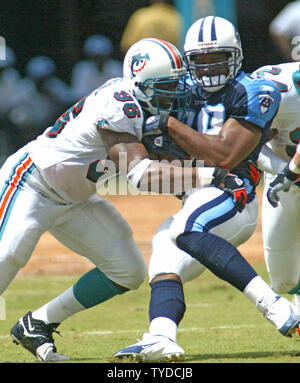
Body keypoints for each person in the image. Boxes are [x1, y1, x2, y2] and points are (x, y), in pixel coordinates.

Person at [1, 38, 235, 362]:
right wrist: (209, 175)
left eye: (175, 85)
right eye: (164, 86)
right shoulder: (119, 103)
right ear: (140, 84)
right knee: (12, 250)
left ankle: (37, 324)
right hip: (32, 182)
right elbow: (141, 175)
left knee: (127, 271)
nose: (174, 94)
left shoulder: (145, 103)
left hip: (76, 198)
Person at [113, 16, 300, 363]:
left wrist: (168, 124)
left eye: (218, 58)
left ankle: (278, 310)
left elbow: (225, 154)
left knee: (186, 227)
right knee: (163, 250)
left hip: (233, 194)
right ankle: (161, 337)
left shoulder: (255, 90)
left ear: (236, 56)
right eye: (201, 60)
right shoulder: (180, 86)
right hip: (198, 194)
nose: (210, 67)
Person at [251, 62, 300, 308]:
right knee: (283, 279)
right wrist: (284, 172)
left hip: (291, 172)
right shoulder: (273, 89)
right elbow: (249, 143)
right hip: (282, 174)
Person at [70, 35, 122, 100]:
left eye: (102, 56)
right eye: (95, 57)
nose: (99, 60)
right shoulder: (82, 68)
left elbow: (121, 92)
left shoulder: (116, 67)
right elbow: (79, 94)